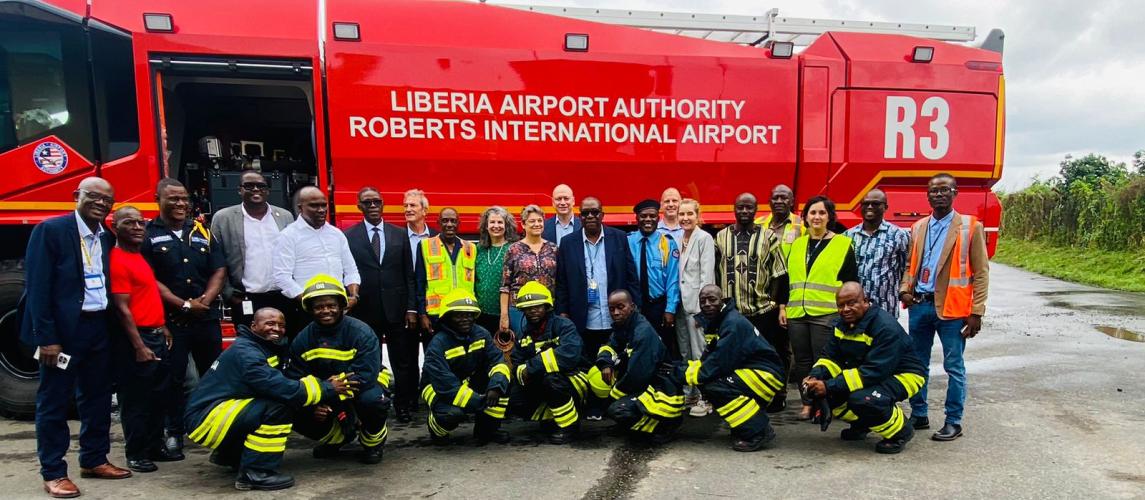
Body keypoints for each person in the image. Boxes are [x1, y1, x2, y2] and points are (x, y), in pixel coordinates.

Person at [23, 177, 131, 498]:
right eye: (93, 196)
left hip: (98, 328)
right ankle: (54, 472)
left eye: (107, 200)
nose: (101, 203)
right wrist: (46, 337)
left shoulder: (106, 237)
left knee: (97, 397)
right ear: (76, 196)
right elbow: (38, 288)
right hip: (63, 333)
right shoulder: (51, 231)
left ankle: (94, 459)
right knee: (54, 401)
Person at [185, 308, 355, 491]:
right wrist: (327, 388)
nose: (277, 329)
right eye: (270, 323)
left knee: (282, 403)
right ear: (254, 326)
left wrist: (317, 393)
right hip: (207, 419)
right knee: (277, 409)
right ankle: (256, 474)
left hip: (216, 413)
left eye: (281, 325)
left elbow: (282, 382)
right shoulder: (247, 352)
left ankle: (230, 456)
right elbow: (278, 387)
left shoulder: (261, 346)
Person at [141, 178, 226, 459]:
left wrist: (205, 301)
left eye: (184, 199)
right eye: (173, 199)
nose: (180, 204)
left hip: (205, 318)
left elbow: (219, 270)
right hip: (172, 322)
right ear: (158, 200)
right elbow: (148, 278)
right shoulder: (148, 234)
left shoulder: (201, 231)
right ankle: (174, 432)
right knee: (173, 379)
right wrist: (183, 305)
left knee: (214, 375)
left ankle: (214, 428)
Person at [900, 173, 989, 442]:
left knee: (954, 366)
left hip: (952, 310)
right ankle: (919, 414)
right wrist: (905, 290)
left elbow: (981, 272)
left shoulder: (970, 227)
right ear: (927, 196)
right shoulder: (918, 227)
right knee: (917, 364)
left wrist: (976, 312)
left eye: (944, 190)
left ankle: (953, 421)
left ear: (955, 193)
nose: (938, 194)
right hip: (920, 306)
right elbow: (910, 264)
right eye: (933, 191)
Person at [803, 283, 926, 454]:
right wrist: (815, 377)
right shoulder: (840, 325)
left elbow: (874, 372)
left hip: (904, 374)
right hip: (868, 372)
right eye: (841, 305)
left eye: (851, 303)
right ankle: (863, 424)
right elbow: (830, 357)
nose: (845, 309)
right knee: (828, 392)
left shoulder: (885, 327)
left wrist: (829, 385)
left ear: (865, 301)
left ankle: (900, 431)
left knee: (864, 399)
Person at [287, 274, 393, 464]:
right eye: (319, 307)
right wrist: (316, 403)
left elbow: (366, 375)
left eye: (331, 305)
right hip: (327, 390)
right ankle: (337, 438)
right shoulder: (302, 339)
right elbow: (295, 377)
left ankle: (372, 443)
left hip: (364, 384)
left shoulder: (361, 332)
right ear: (310, 309)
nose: (325, 311)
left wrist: (330, 395)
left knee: (372, 401)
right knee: (293, 407)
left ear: (341, 306)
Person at [673, 285, 786, 452]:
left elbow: (718, 363)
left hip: (766, 374)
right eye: (703, 301)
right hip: (756, 371)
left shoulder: (731, 323)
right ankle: (745, 425)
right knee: (711, 381)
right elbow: (709, 357)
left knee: (714, 386)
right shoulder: (720, 320)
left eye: (712, 300)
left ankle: (758, 431)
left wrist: (683, 375)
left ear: (721, 301)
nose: (707, 304)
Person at [344, 187, 419, 423]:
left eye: (377, 201)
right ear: (359, 206)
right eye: (367, 202)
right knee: (370, 361)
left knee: (402, 361)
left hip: (397, 310)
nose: (373, 206)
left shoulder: (400, 234)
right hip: (365, 311)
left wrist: (411, 308)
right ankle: (375, 403)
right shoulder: (348, 236)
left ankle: (403, 405)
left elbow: (409, 274)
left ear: (383, 204)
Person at [109, 207, 174, 473]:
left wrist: (162, 326)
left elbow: (147, 296)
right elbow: (122, 308)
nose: (137, 227)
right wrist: (139, 346)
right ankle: (136, 453)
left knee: (159, 396)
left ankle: (155, 445)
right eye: (129, 223)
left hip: (155, 334)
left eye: (140, 222)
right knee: (136, 400)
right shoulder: (117, 260)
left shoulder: (137, 256)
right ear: (115, 228)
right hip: (139, 339)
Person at [713, 193, 790, 415]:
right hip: (732, 313)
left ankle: (774, 396)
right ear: (734, 209)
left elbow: (779, 273)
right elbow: (714, 273)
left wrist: (775, 303)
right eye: (740, 207)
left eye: (749, 208)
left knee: (766, 356)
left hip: (762, 311)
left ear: (756, 210)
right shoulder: (721, 237)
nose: (744, 211)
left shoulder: (768, 237)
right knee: (734, 357)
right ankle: (738, 397)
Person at [786, 195, 859, 420]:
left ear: (829, 217)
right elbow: (788, 279)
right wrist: (782, 307)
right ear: (805, 217)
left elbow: (850, 281)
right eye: (812, 213)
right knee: (802, 362)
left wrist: (848, 312)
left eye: (822, 213)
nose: (816, 217)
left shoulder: (843, 244)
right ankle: (807, 404)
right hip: (797, 312)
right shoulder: (797, 245)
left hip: (825, 314)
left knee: (823, 361)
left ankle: (823, 404)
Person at [555, 197, 640, 368]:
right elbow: (562, 282)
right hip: (583, 320)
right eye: (585, 213)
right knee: (588, 366)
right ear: (580, 216)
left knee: (617, 365)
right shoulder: (568, 243)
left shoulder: (619, 238)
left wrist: (636, 309)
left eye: (595, 212)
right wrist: (563, 313)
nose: (590, 216)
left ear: (602, 215)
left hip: (616, 318)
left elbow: (631, 277)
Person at [588, 290, 684, 443]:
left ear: (632, 306)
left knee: (618, 409)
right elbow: (609, 347)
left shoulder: (642, 332)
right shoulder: (624, 326)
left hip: (663, 389)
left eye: (620, 307)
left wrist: (611, 398)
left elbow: (637, 377)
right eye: (612, 309)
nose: (616, 313)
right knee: (613, 398)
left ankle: (664, 425)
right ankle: (632, 425)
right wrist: (605, 363)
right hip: (648, 383)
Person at [420, 289, 512, 445]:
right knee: (453, 413)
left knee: (501, 384)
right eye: (459, 315)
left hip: (466, 380)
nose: (466, 319)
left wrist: (496, 387)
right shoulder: (438, 344)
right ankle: (437, 429)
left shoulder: (481, 334)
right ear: (448, 317)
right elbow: (446, 385)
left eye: (469, 315)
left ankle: (486, 430)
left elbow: (497, 361)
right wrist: (479, 401)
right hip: (436, 386)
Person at [272, 185, 361, 338]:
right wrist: (310, 302)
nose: (321, 210)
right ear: (300, 208)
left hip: (339, 309)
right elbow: (281, 277)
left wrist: (353, 297)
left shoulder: (336, 234)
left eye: (323, 205)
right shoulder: (288, 236)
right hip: (307, 312)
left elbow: (351, 270)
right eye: (314, 206)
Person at [210, 170, 294, 327]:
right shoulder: (223, 218)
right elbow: (216, 259)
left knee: (284, 339)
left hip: (283, 296)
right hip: (245, 298)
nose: (256, 189)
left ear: (267, 190)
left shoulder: (285, 216)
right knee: (249, 340)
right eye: (249, 186)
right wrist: (229, 294)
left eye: (261, 186)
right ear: (240, 190)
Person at [508, 282, 588, 444]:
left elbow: (569, 356)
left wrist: (531, 367)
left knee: (551, 379)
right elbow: (517, 363)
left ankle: (569, 426)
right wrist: (524, 372)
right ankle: (551, 418)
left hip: (575, 378)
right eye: (528, 308)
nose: (533, 311)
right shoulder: (523, 335)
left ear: (547, 306)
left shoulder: (564, 325)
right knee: (514, 397)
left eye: (537, 307)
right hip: (544, 379)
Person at [673, 199, 715, 414]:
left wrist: (703, 310)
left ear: (698, 216)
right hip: (681, 305)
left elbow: (707, 276)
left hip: (697, 306)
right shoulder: (678, 238)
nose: (685, 218)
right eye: (682, 214)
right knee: (685, 351)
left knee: (700, 353)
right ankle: (690, 393)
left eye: (690, 214)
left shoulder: (704, 238)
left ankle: (706, 398)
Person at [627, 199, 680, 359]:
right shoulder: (627, 241)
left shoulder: (667, 244)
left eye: (652, 216)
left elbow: (673, 279)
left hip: (658, 305)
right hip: (634, 306)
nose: (648, 220)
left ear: (659, 217)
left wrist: (670, 309)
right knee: (636, 349)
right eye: (643, 216)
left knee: (662, 348)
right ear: (636, 218)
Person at [844, 189, 910, 316]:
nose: (869, 207)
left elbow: (906, 268)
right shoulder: (848, 236)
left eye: (875, 204)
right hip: (855, 309)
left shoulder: (899, 235)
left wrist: (903, 292)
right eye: (865, 203)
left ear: (885, 207)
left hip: (885, 308)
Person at [415, 207, 477, 331]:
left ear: (458, 224)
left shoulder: (471, 248)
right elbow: (419, 282)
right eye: (445, 220)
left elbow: (475, 284)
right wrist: (422, 314)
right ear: (438, 223)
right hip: (436, 314)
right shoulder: (425, 245)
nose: (449, 224)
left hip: (464, 312)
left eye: (453, 221)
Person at [499, 205, 558, 334]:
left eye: (540, 220)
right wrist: (504, 316)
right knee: (523, 343)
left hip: (547, 308)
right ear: (523, 224)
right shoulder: (513, 249)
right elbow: (505, 286)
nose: (537, 224)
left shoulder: (553, 249)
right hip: (520, 309)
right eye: (532, 221)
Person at [475, 206, 519, 334]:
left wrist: (505, 315)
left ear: (506, 225)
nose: (496, 226)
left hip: (505, 315)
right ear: (486, 226)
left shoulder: (514, 249)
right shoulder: (479, 249)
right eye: (492, 222)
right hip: (480, 315)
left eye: (500, 222)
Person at [756, 184, 803, 257]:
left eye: (784, 198)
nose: (779, 201)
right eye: (775, 198)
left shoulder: (802, 225)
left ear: (792, 202)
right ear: (769, 202)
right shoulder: (757, 223)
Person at [403, 188, 437, 262]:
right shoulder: (398, 236)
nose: (408, 209)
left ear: (424, 211)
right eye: (405, 206)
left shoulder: (437, 237)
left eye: (412, 205)